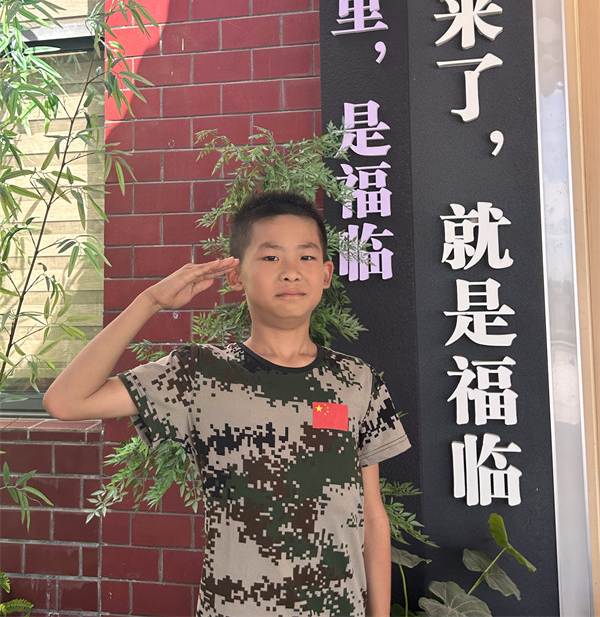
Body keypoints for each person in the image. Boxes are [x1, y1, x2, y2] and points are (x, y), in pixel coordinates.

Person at [44, 190, 410, 617]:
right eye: (270, 257)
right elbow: (66, 401)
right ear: (235, 275)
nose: (291, 272)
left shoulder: (357, 379)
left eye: (306, 257)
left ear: (326, 273)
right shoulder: (199, 373)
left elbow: (372, 515)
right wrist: (150, 302)